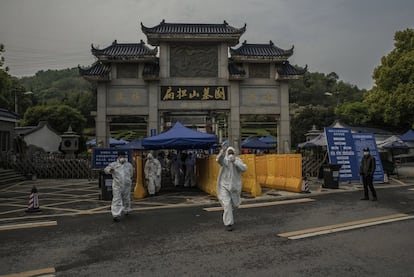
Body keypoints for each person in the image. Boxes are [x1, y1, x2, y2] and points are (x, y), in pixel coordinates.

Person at [216, 144, 247, 231]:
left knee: (235, 204)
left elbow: (244, 168)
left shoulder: (238, 160)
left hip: (234, 187)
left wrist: (235, 162)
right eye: (228, 153)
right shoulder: (225, 161)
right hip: (224, 186)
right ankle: (228, 223)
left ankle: (230, 215)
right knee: (227, 204)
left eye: (231, 153)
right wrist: (222, 151)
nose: (230, 154)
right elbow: (218, 160)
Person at [104, 151, 133, 222]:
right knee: (116, 199)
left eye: (123, 156)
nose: (122, 158)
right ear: (118, 157)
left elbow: (131, 174)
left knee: (126, 198)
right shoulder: (114, 164)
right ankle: (116, 215)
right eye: (120, 156)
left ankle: (126, 209)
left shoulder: (129, 165)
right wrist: (110, 170)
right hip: (117, 185)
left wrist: (128, 180)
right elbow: (106, 169)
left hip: (126, 185)